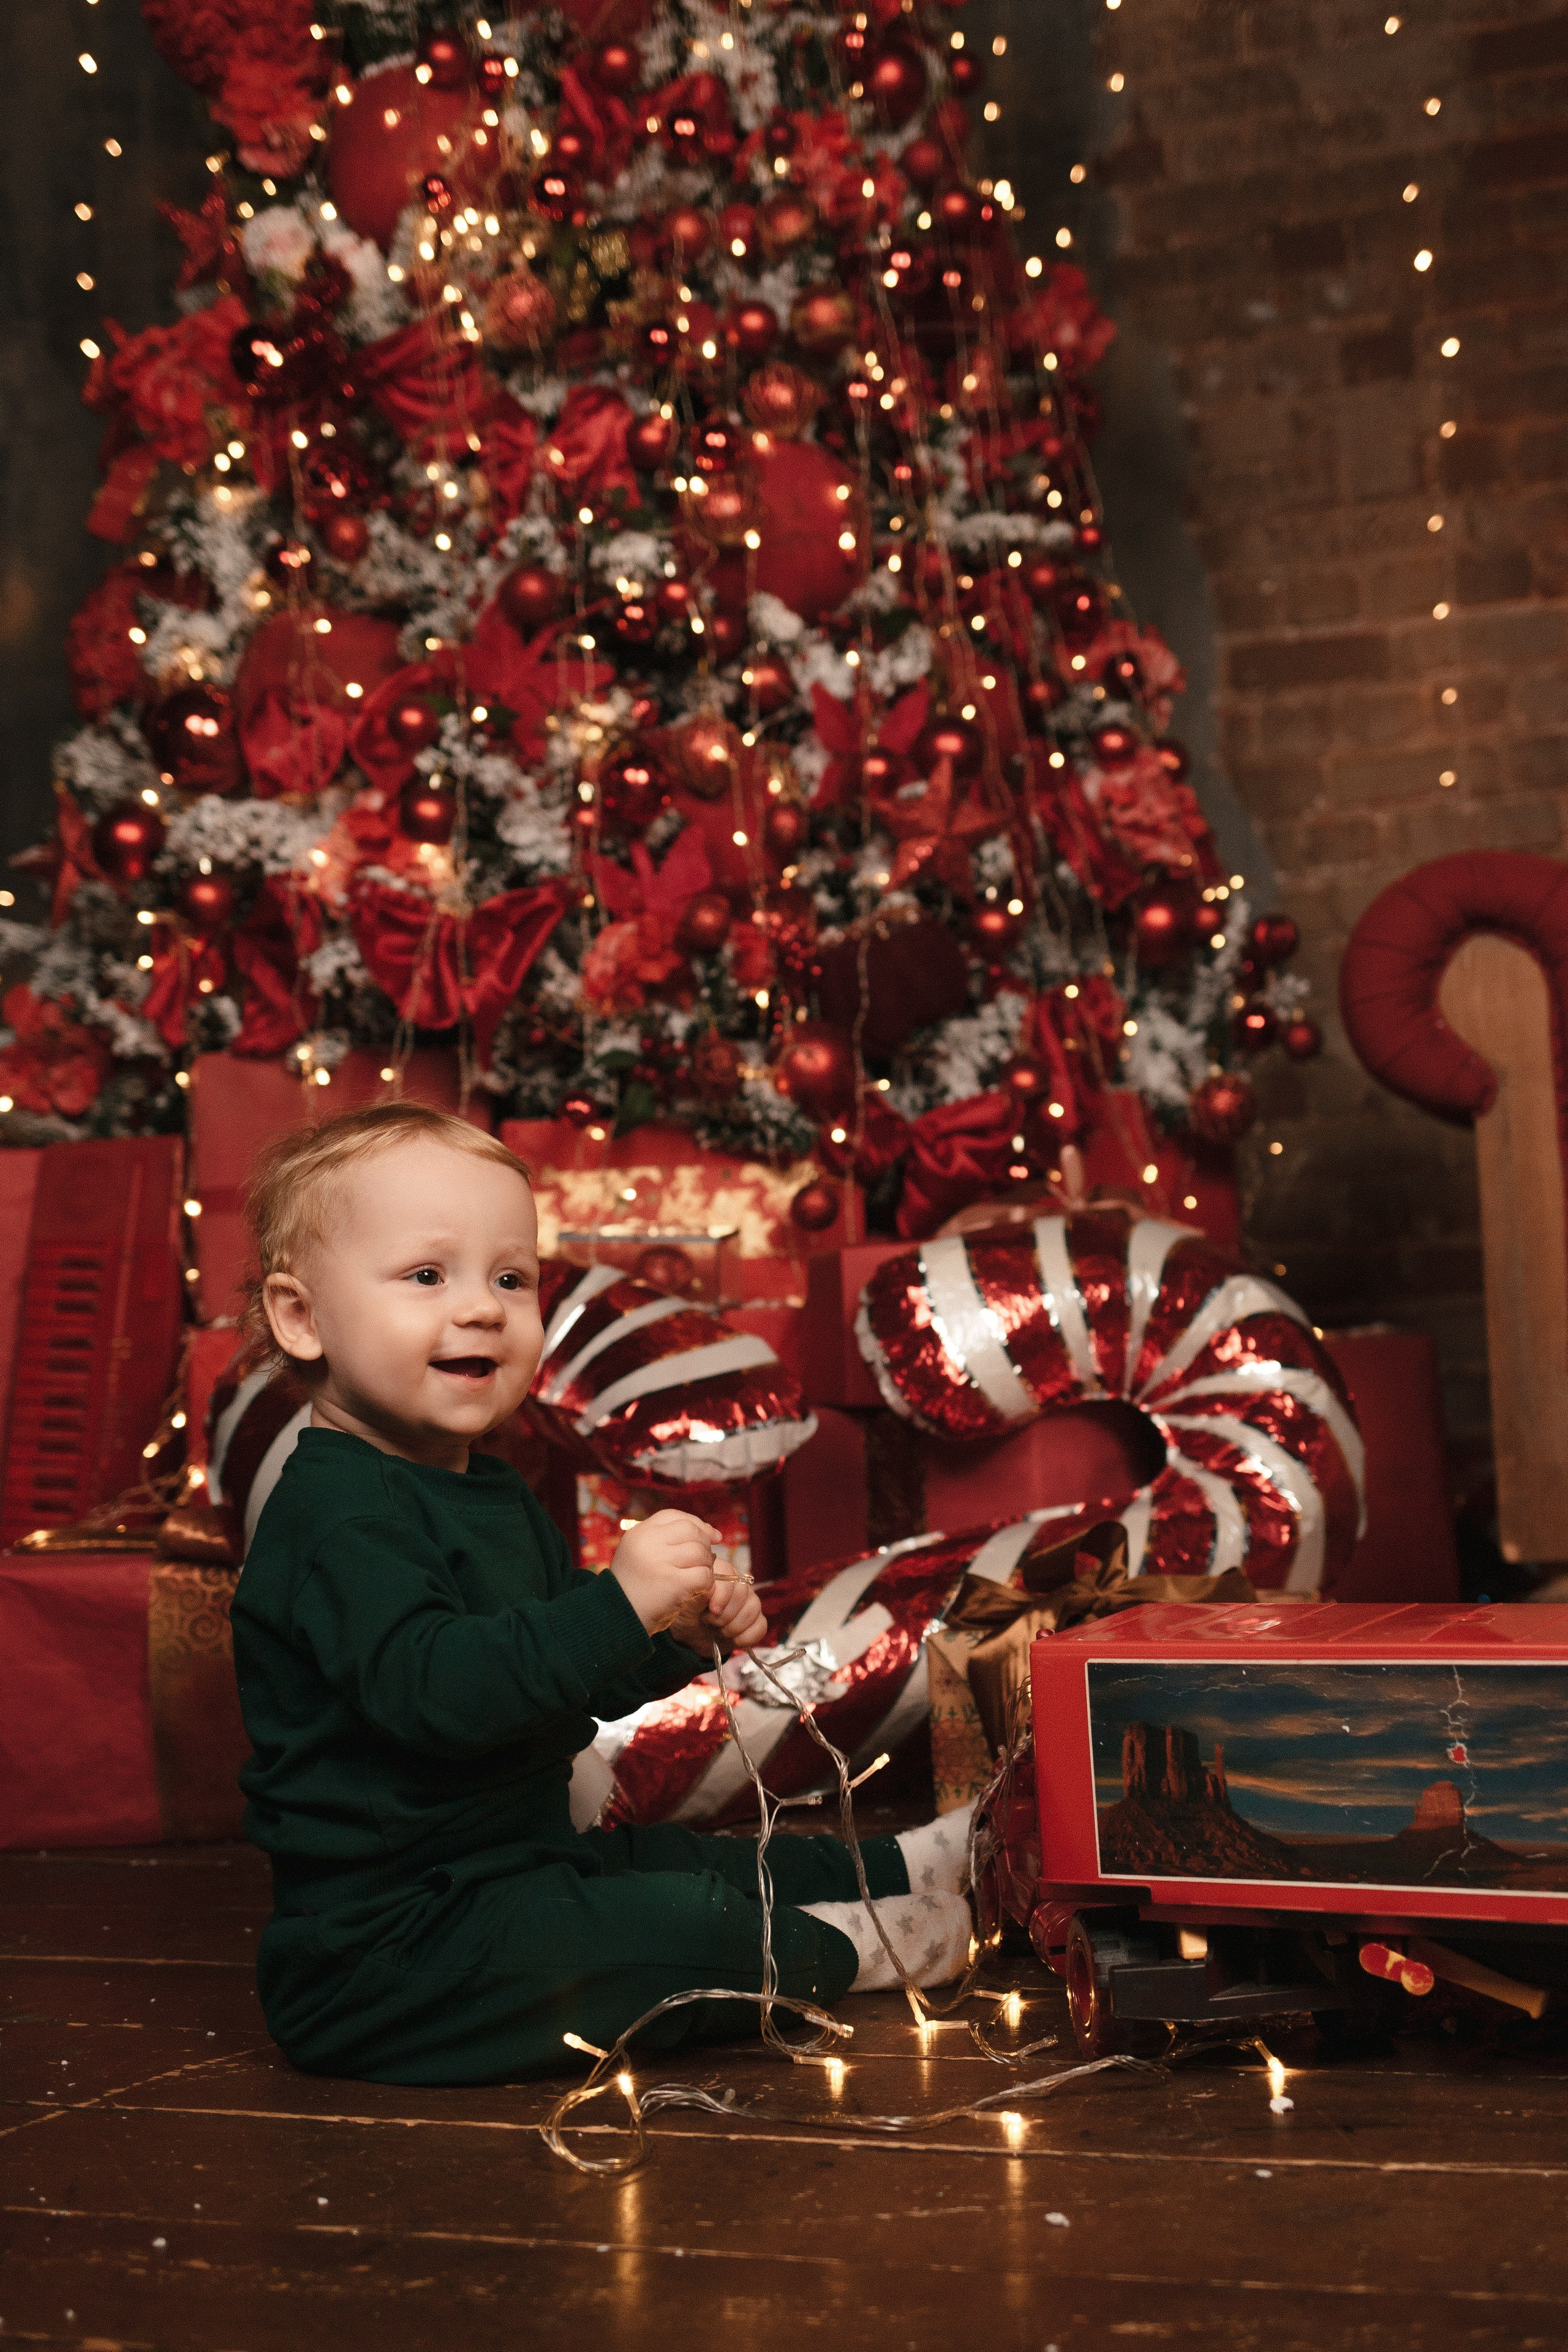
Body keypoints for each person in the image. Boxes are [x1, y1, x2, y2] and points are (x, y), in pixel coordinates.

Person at [230, 1101, 974, 2086]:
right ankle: (854, 1950)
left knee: (682, 1861)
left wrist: (676, 1634)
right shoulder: (333, 1514)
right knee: (664, 1929)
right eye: (426, 1276)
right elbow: (442, 1696)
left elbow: (555, 1683)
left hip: (519, 1867)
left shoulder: (484, 1490)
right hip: (391, 1955)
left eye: (511, 1278)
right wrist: (617, 1603)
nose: (483, 1308)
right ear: (302, 1317)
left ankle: (904, 1867)